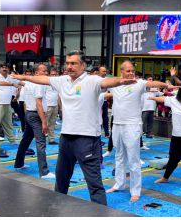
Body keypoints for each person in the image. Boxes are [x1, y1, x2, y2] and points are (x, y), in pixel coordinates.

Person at [13, 51, 137, 205]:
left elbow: (106, 83)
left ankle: (100, 214)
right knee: (61, 179)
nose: (69, 66)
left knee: (94, 184)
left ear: (83, 65)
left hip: (87, 139)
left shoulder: (92, 80)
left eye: (74, 63)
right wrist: (24, 77)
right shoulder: (63, 80)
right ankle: (56, 211)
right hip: (66, 139)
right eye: (68, 63)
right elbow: (44, 79)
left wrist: (122, 80)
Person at [103, 61, 175, 201]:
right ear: (122, 71)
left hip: (132, 125)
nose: (131, 73)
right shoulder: (115, 85)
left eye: (132, 71)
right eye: (128, 71)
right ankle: (119, 184)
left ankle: (135, 190)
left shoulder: (139, 83)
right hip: (117, 124)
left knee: (133, 159)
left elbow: (152, 83)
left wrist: (166, 85)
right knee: (119, 156)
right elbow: (103, 84)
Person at [13, 64, 55, 178]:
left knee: (26, 140)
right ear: (36, 73)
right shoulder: (38, 84)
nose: (46, 73)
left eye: (47, 71)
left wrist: (17, 76)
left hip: (30, 114)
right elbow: (39, 104)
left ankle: (18, 163)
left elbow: (23, 83)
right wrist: (44, 122)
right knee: (41, 143)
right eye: (44, 71)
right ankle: (44, 172)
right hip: (36, 115)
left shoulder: (30, 82)